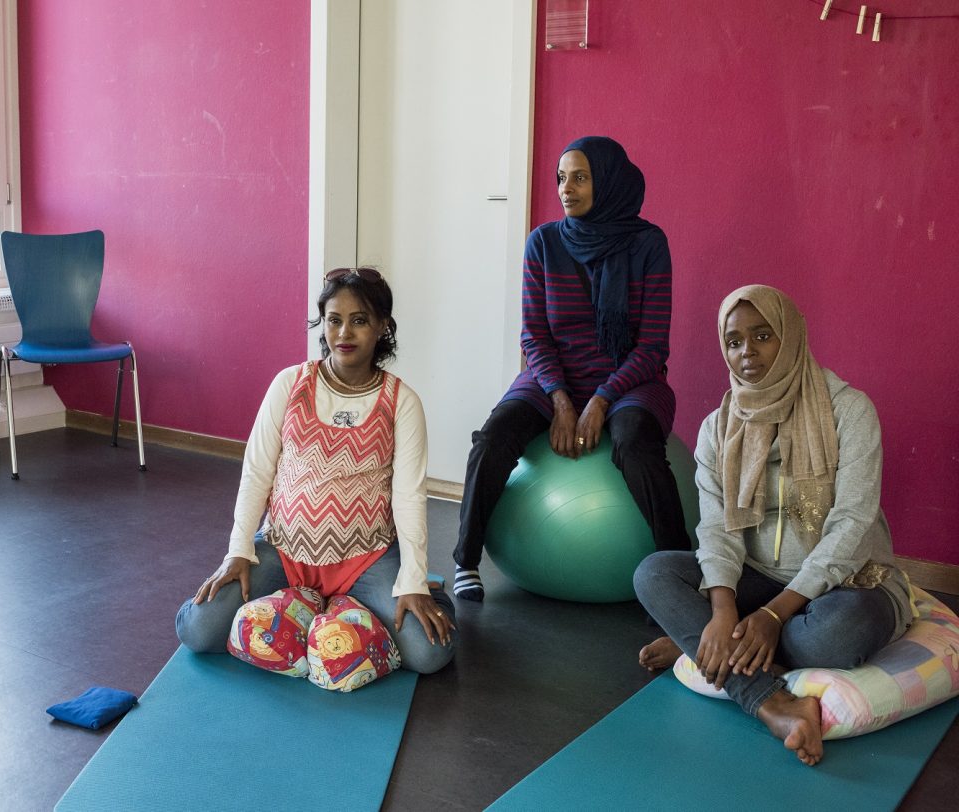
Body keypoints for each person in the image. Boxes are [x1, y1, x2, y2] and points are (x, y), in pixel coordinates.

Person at [633, 285, 914, 766]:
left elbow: (852, 524)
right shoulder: (717, 428)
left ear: (790, 335)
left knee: (835, 635)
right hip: (759, 577)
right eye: (735, 341)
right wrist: (722, 611)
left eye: (762, 336)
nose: (748, 353)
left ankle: (698, 650)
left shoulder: (850, 411)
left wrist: (772, 616)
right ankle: (770, 700)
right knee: (653, 573)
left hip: (850, 582)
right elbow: (717, 527)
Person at [175, 268, 455, 675]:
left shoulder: (402, 402)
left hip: (366, 560)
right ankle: (316, 605)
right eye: (334, 320)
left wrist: (412, 580)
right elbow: (257, 471)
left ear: (382, 326)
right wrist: (239, 550)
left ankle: (428, 590)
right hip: (286, 551)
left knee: (428, 654)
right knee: (199, 632)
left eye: (359, 320)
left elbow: (409, 494)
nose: (344, 332)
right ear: (322, 324)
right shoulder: (289, 383)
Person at [452, 136, 690, 602]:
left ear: (607, 181)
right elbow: (534, 336)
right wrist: (560, 398)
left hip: (629, 378)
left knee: (635, 443)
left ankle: (676, 574)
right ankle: (466, 560)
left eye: (579, 177)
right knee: (494, 436)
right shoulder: (543, 243)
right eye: (561, 178)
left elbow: (652, 347)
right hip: (553, 375)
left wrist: (601, 399)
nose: (566, 189)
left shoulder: (647, 244)